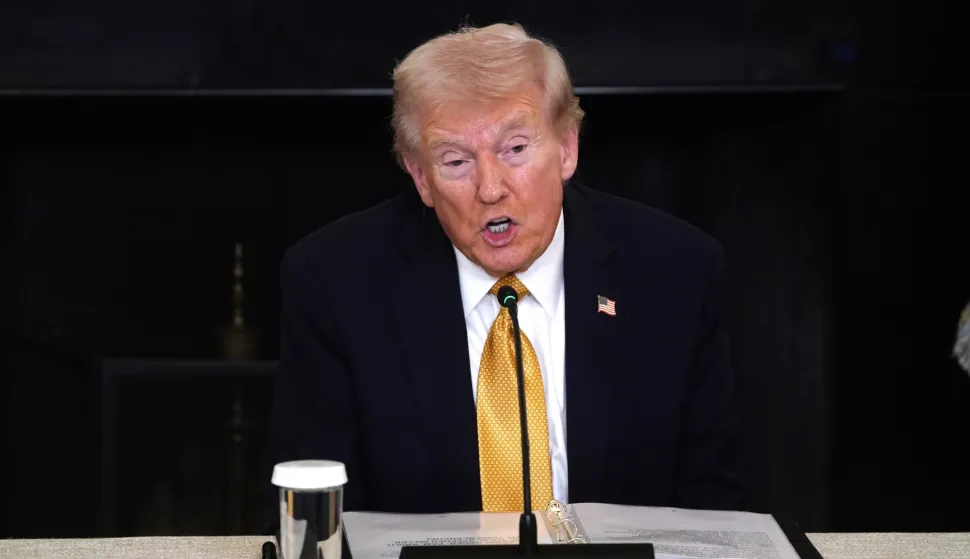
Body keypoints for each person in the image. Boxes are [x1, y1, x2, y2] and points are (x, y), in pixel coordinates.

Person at [267, 22, 745, 516]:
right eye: (455, 162)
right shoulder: (334, 282)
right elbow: (315, 509)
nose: (490, 188)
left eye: (515, 149)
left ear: (567, 147)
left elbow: (713, 510)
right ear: (420, 177)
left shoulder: (676, 272)